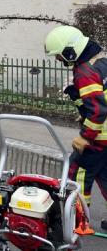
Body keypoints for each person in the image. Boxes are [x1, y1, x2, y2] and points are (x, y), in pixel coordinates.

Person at [45, 25, 107, 230]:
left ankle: (79, 221)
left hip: (98, 138)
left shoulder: (84, 71)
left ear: (69, 51)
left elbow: (98, 111)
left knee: (77, 174)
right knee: (104, 175)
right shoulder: (100, 62)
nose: (58, 60)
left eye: (59, 55)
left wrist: (85, 137)